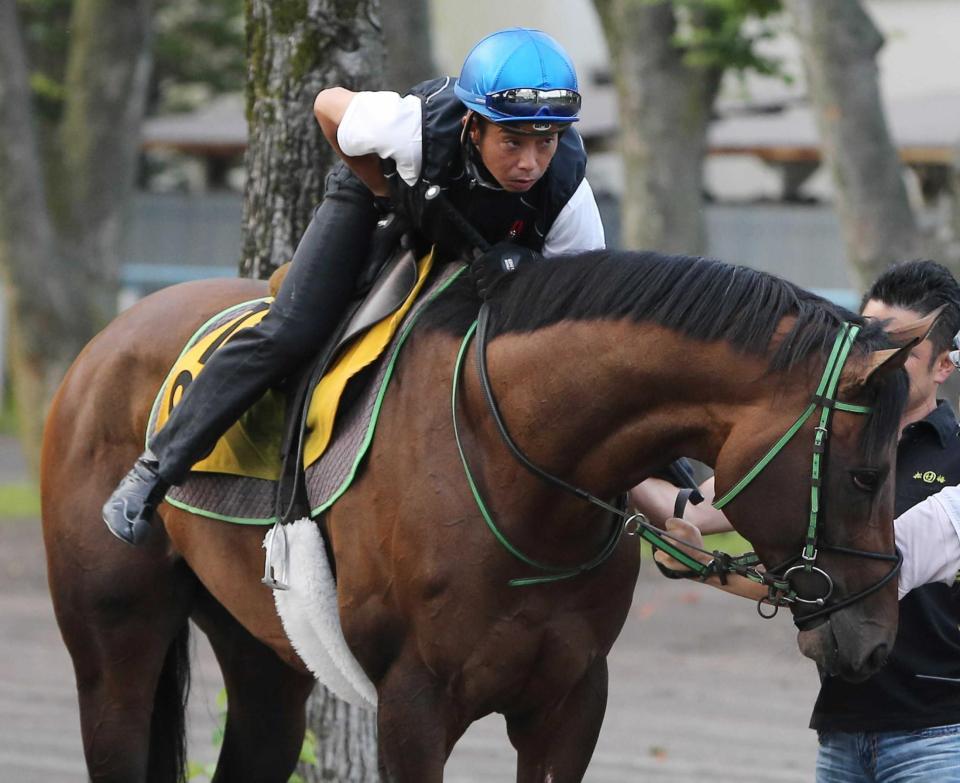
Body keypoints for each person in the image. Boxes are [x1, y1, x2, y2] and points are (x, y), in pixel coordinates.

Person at [102, 28, 606, 545]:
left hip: (470, 241)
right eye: (512, 141)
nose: (529, 163)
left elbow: (579, 314)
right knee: (292, 330)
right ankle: (153, 472)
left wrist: (525, 272)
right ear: (473, 126)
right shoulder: (411, 128)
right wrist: (387, 193)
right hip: (376, 206)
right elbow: (328, 105)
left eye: (545, 142)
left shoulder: (569, 194)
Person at [644, 260, 960, 782]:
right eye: (867, 341)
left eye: (904, 354)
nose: (876, 360)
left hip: (940, 739)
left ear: (944, 367)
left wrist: (707, 568)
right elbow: (685, 511)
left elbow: (859, 579)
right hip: (840, 736)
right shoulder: (814, 451)